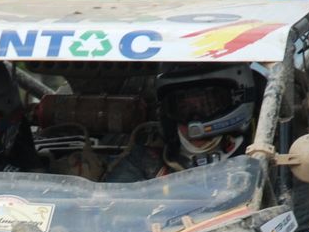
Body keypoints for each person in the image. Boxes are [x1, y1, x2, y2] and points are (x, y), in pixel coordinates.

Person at [105, 64, 261, 180]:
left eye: (206, 105)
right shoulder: (144, 160)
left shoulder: (259, 153)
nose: (195, 116)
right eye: (183, 107)